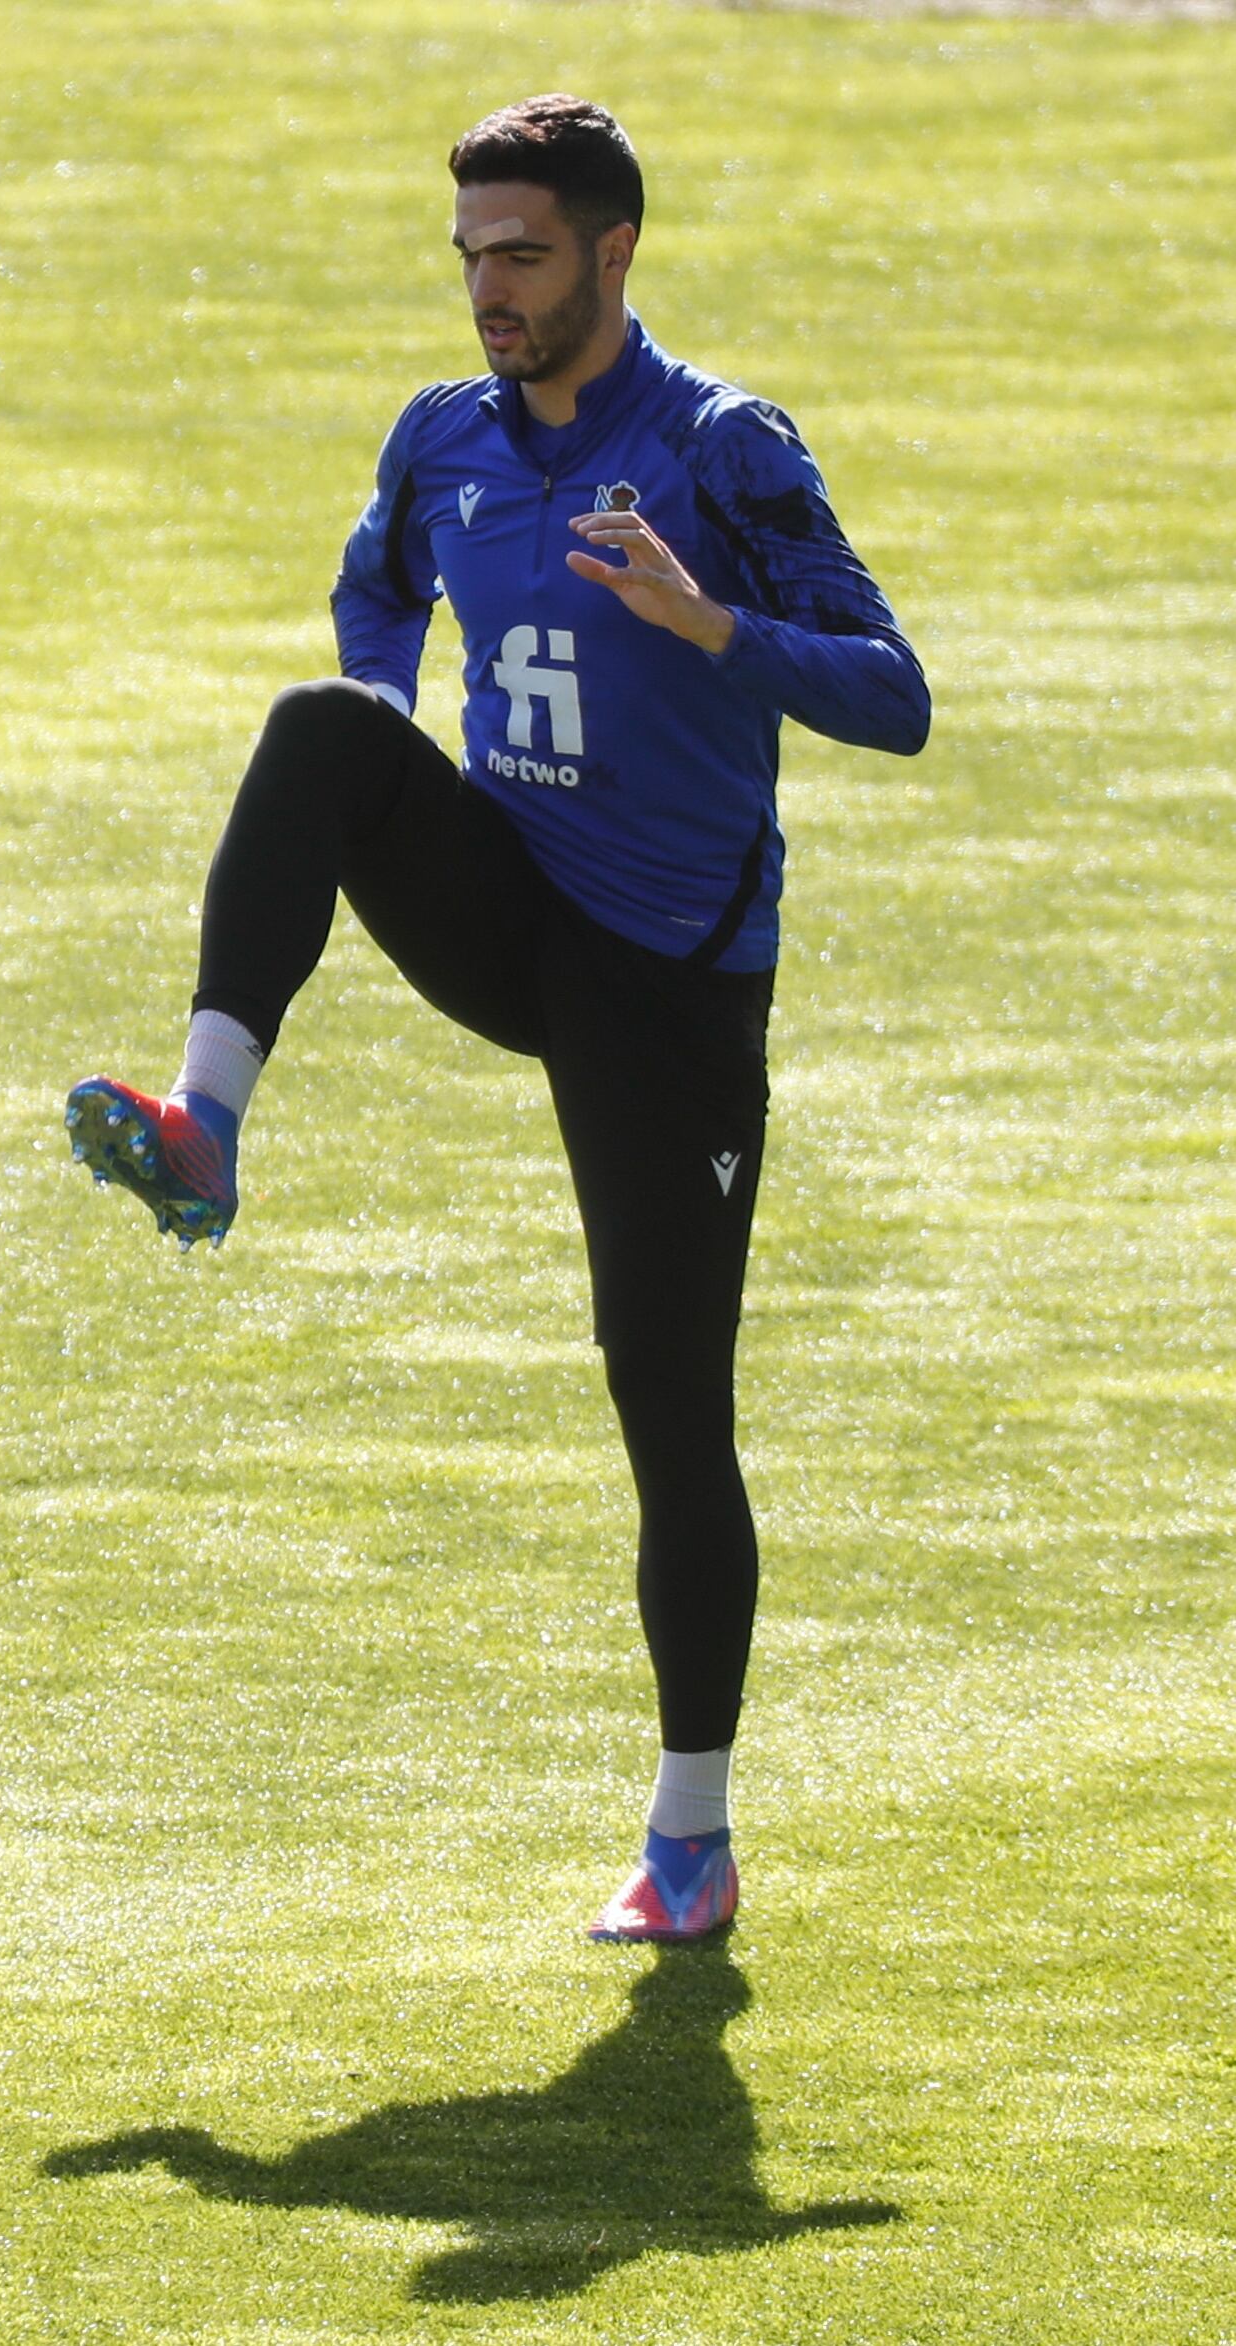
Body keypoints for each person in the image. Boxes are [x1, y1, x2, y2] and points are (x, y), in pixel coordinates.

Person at [63, 96, 926, 1941]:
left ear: (616, 253)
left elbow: (895, 691)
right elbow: (372, 593)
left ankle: (688, 1843)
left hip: (669, 984)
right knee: (322, 731)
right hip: (510, 908)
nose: (487, 293)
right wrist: (395, 719)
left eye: (521, 254)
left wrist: (710, 628)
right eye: (468, 257)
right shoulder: (444, 439)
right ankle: (207, 1126)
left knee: (667, 1401)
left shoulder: (723, 449)